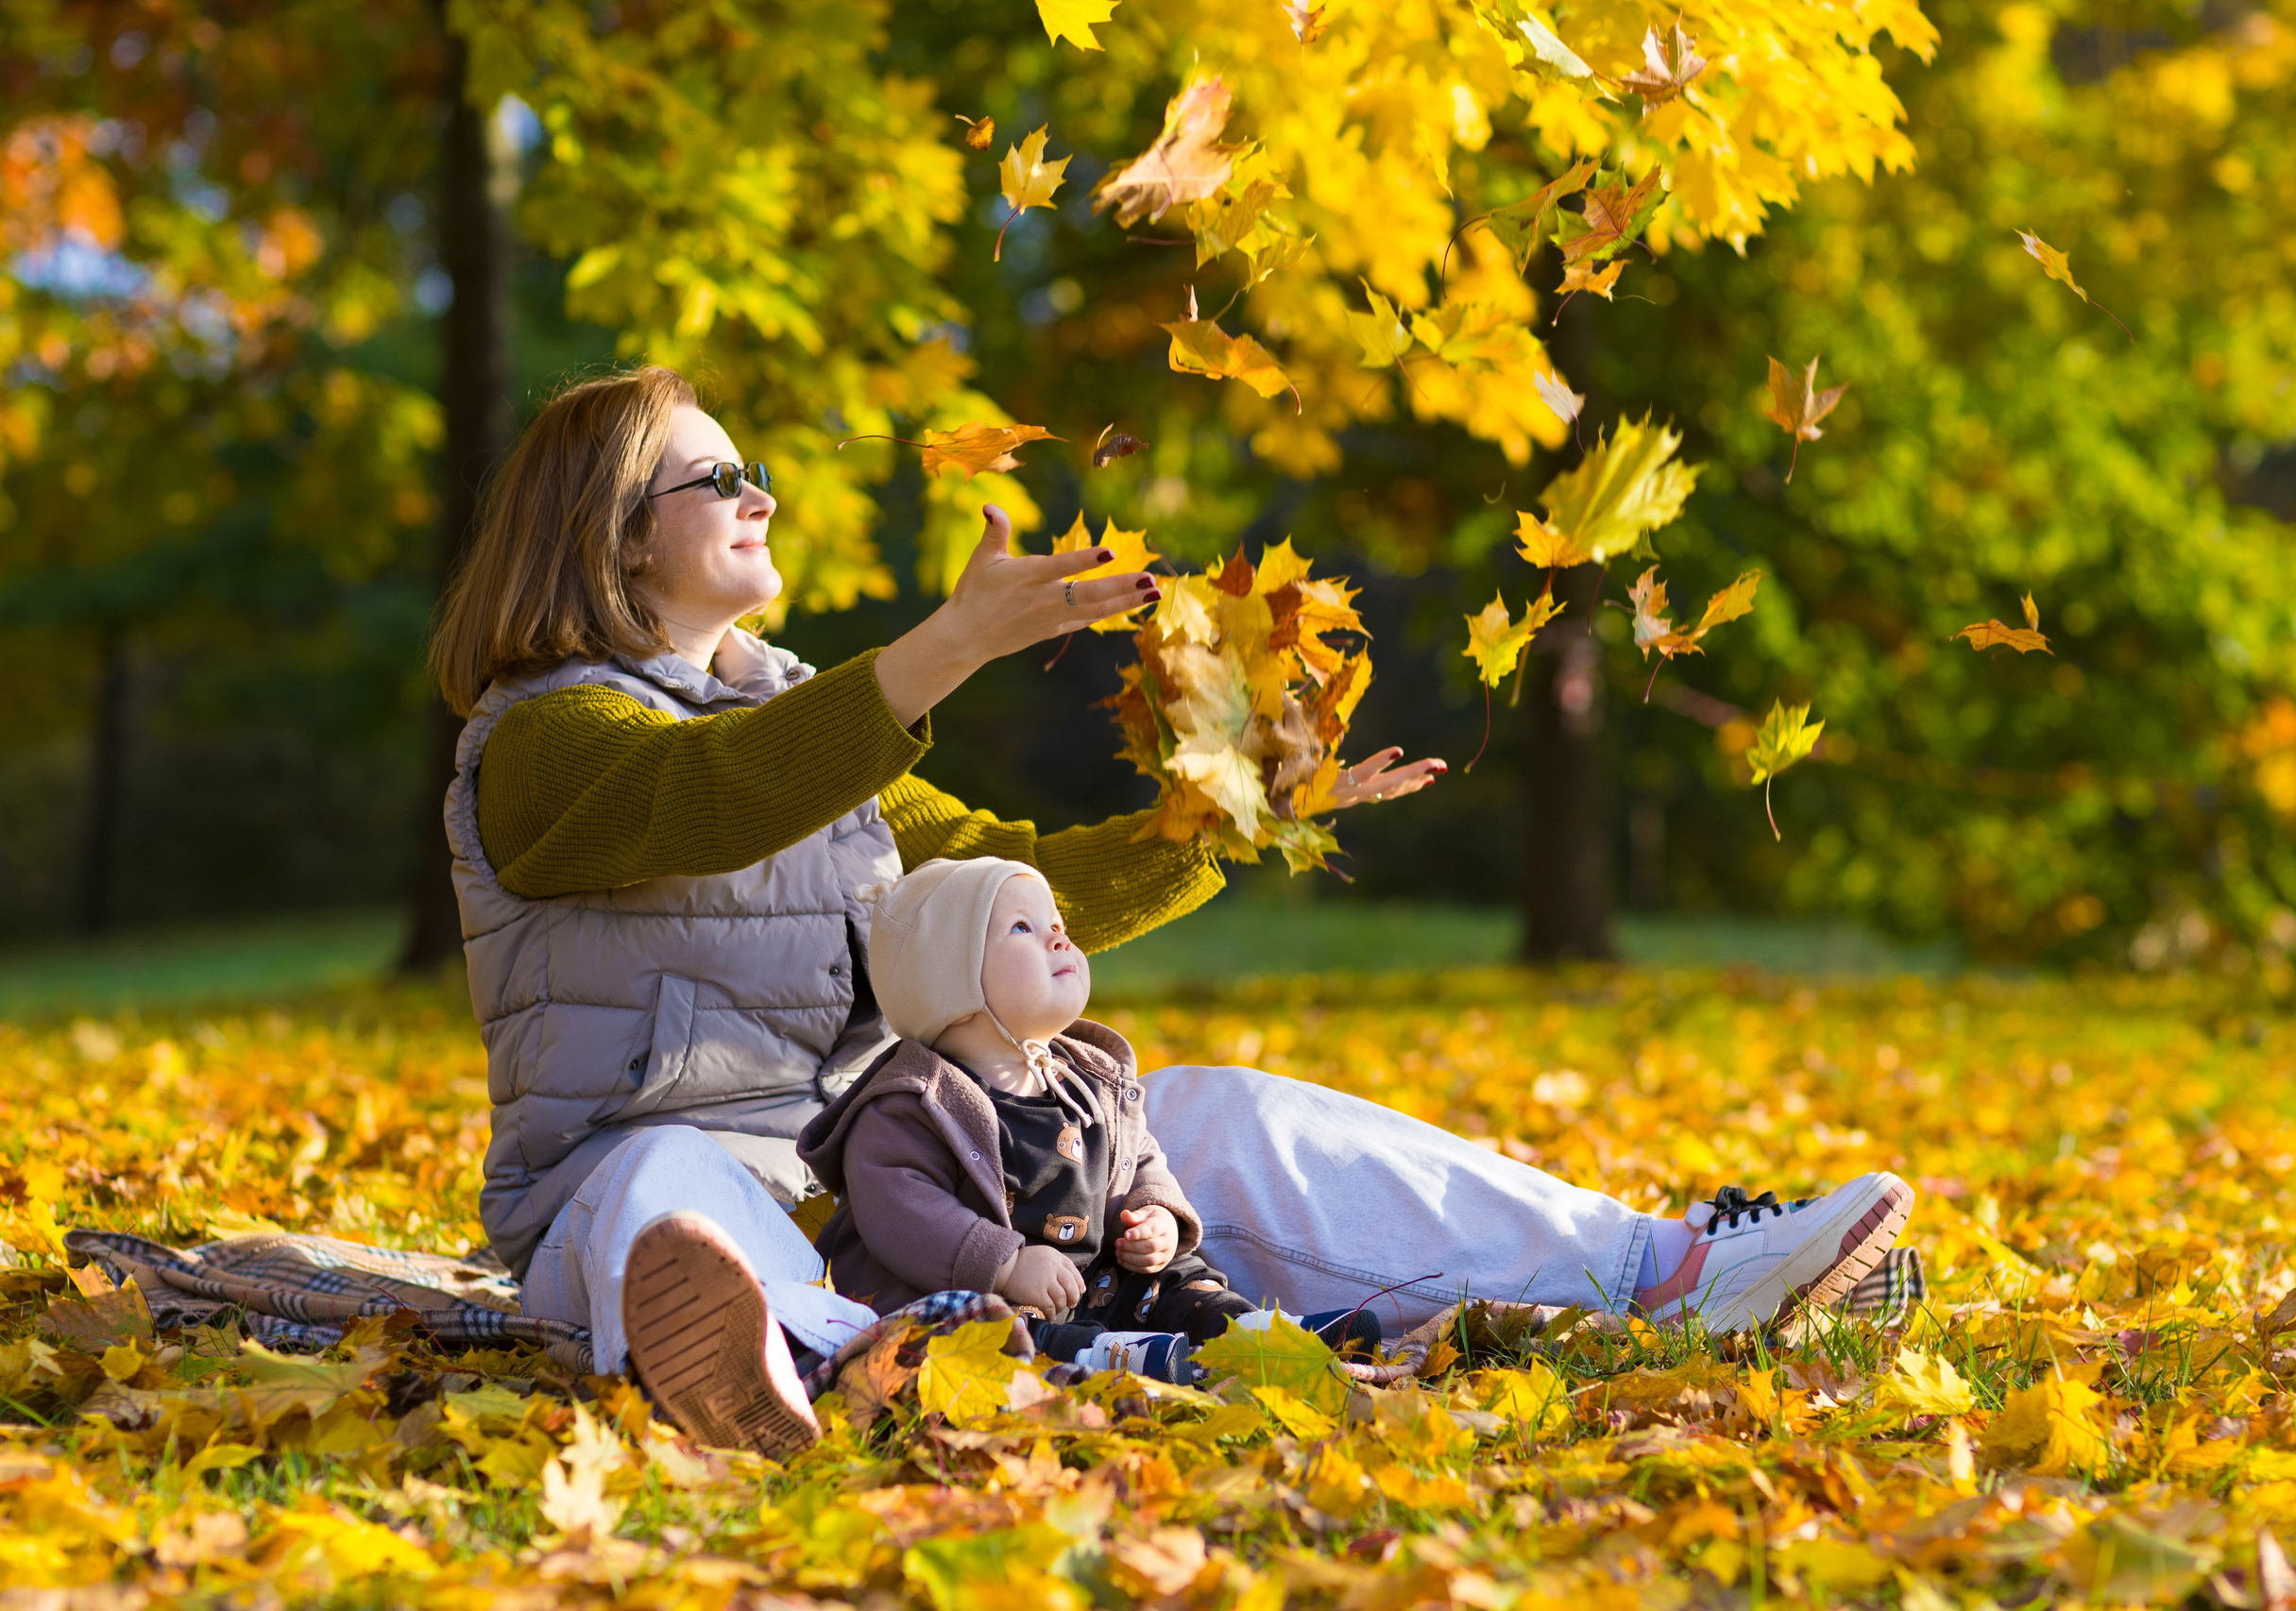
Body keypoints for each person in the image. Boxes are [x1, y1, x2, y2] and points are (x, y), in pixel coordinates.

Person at [427, 365, 1914, 1455]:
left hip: (907, 1183)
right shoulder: (545, 741)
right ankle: (786, 1355)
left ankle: (1663, 1265)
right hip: (651, 1188)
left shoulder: (816, 721)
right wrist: (944, 647)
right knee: (664, 1187)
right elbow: (709, 798)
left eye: (755, 465)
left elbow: (1005, 894)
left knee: (1204, 1118)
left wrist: (1228, 815)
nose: (759, 493)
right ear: (616, 535)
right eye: (714, 477)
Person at [799, 856, 1378, 1386]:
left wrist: (1157, 1214)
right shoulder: (912, 1103)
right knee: (988, 1333)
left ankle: (1250, 1335)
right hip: (994, 1299)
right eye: (1022, 929)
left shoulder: (1086, 1076)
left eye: (1055, 922)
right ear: (950, 983)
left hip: (1101, 1283)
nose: (1058, 935)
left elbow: (1139, 1152)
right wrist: (1003, 1265)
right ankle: (1126, 1360)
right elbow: (898, 1207)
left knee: (1176, 1279)